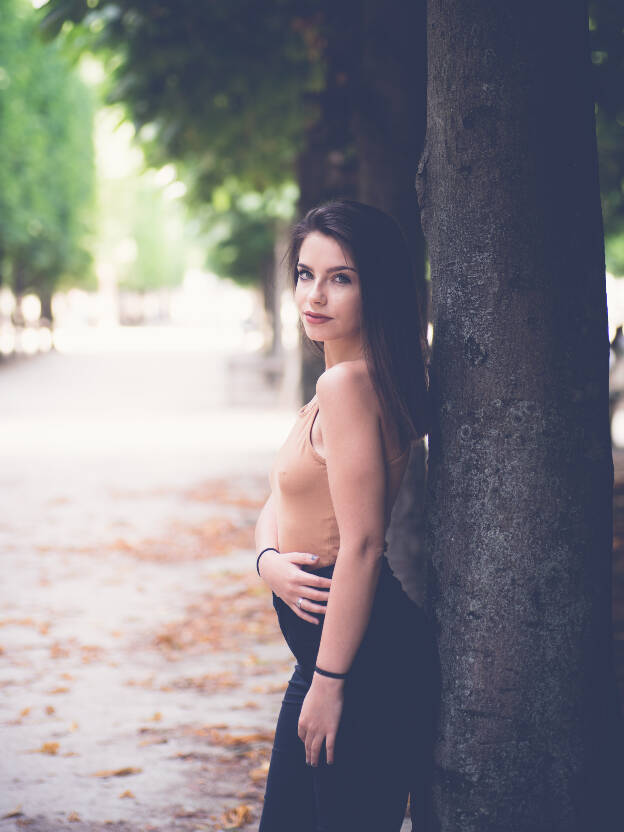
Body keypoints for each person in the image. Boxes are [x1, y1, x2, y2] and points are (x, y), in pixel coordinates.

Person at [254, 199, 436, 831]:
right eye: (306, 274)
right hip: (331, 662)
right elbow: (279, 500)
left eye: (341, 277)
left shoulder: (347, 387)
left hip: (359, 668)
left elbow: (361, 545)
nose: (316, 295)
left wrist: (330, 682)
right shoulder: (336, 385)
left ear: (376, 287)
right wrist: (268, 561)